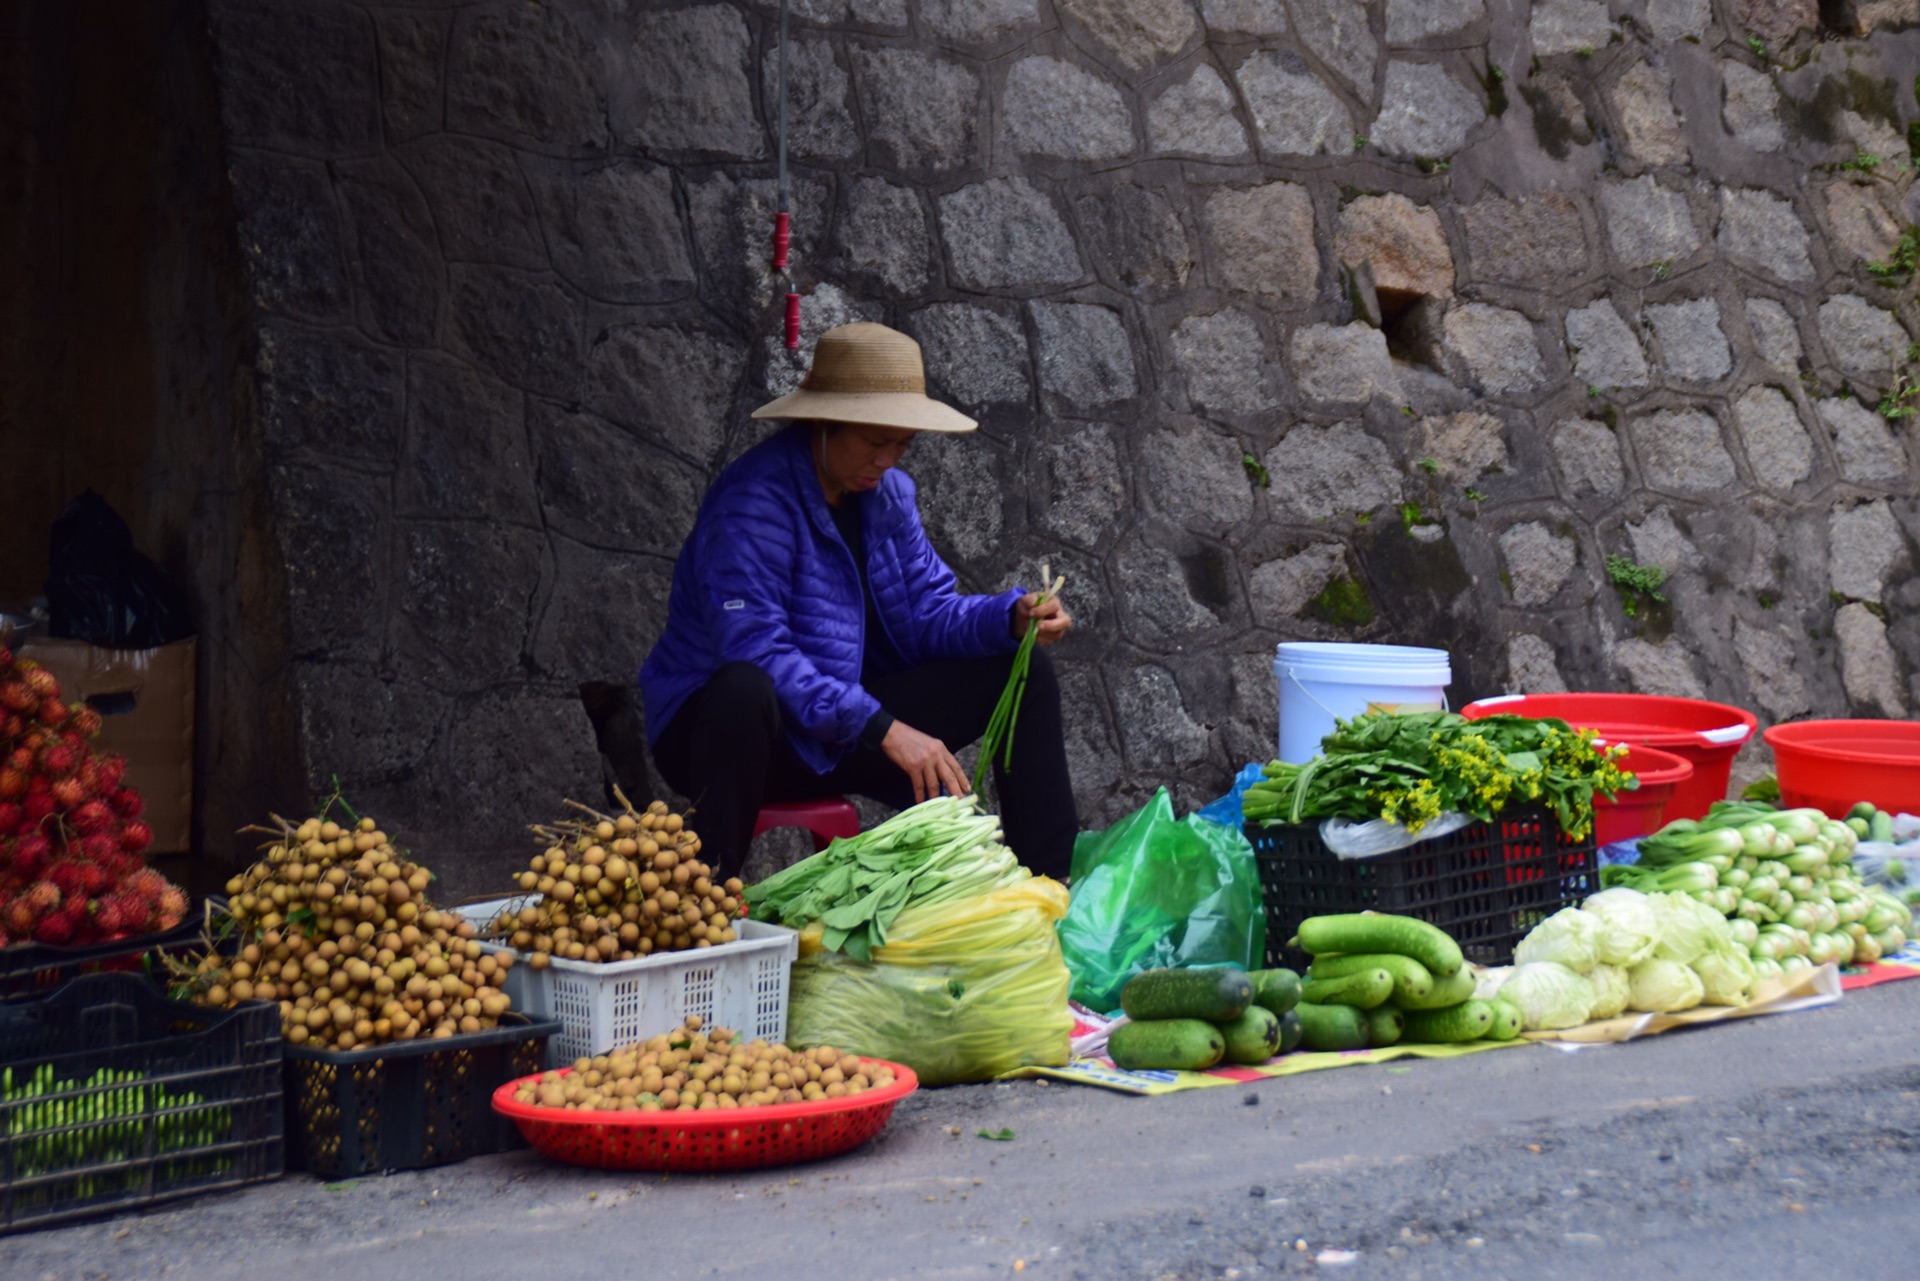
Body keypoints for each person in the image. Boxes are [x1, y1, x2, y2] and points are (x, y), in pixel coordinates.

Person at [639, 322, 1078, 882]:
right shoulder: (753, 501)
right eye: (875, 442)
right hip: (726, 739)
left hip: (838, 728)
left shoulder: (888, 496)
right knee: (744, 687)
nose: (888, 460)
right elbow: (755, 649)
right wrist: (883, 728)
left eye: (902, 444)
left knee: (1023, 670)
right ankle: (706, 895)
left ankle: (1050, 885)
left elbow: (926, 614)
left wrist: (1010, 618)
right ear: (823, 422)